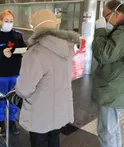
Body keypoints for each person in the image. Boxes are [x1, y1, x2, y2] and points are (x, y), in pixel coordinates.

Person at [14, 9, 80, 147]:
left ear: (36, 28)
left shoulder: (35, 53)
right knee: (54, 140)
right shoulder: (67, 48)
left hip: (40, 114)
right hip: (60, 110)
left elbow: (24, 89)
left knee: (39, 142)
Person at [92, 0, 124, 147]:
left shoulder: (123, 32)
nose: (105, 20)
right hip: (119, 87)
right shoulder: (123, 30)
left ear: (117, 13)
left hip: (113, 89)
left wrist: (100, 31)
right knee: (112, 128)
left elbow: (103, 55)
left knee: (106, 131)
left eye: (105, 16)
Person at [0, 9, 27, 136]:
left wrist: (24, 52)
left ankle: (12, 123)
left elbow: (23, 48)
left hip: (15, 74)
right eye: (6, 21)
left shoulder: (18, 35)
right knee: (0, 101)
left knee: (14, 100)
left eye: (11, 21)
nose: (9, 23)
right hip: (0, 76)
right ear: (0, 21)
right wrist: (2, 54)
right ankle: (1, 124)